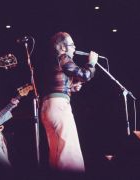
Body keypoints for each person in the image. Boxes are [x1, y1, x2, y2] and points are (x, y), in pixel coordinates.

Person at [40, 32, 99, 172]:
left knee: (57, 153)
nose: (74, 48)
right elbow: (85, 75)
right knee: (69, 154)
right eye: (72, 45)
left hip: (48, 107)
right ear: (62, 47)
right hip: (59, 107)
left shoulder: (52, 61)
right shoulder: (63, 57)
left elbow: (54, 85)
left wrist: (71, 87)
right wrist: (91, 63)